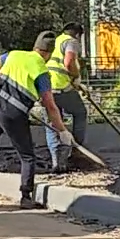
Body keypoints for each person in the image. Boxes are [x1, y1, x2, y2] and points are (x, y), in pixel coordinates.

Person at [0, 33, 74, 210]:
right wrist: (62, 131)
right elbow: (50, 105)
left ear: (35, 47)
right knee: (27, 155)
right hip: (13, 114)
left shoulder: (14, 55)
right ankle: (25, 196)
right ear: (48, 53)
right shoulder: (42, 71)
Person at [43, 22, 90, 172]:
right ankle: (76, 150)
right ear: (77, 34)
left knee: (53, 122)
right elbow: (69, 62)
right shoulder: (71, 42)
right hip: (62, 87)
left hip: (47, 87)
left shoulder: (54, 42)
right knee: (80, 113)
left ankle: (56, 161)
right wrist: (75, 76)